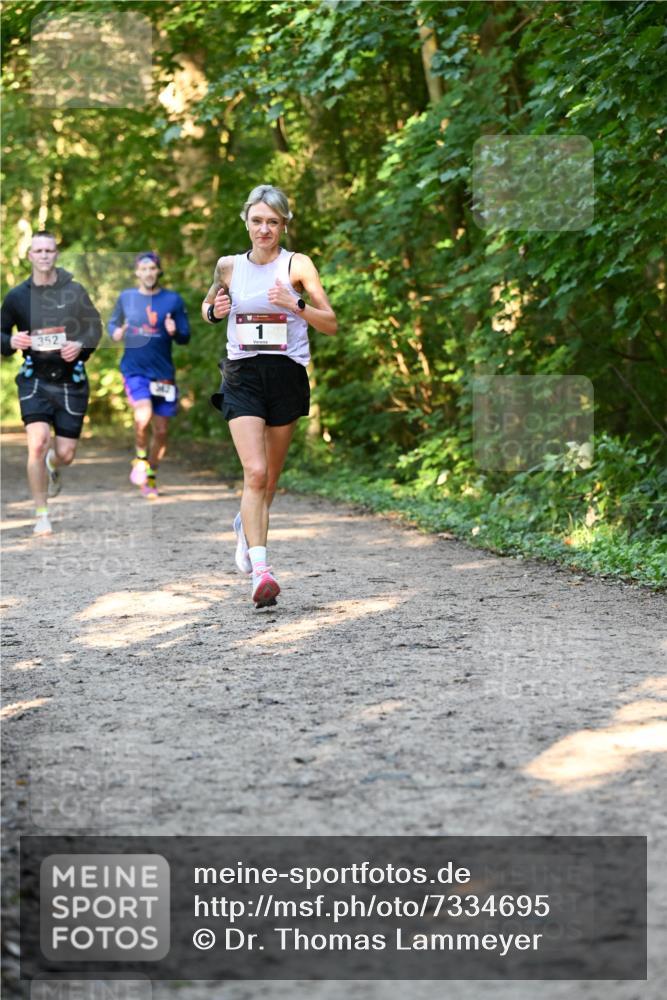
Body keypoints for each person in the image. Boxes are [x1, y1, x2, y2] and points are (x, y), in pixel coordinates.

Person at [202, 184, 337, 608]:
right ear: (246, 221)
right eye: (257, 221)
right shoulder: (228, 267)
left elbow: (330, 322)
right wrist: (214, 312)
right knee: (255, 472)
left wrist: (295, 303)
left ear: (283, 224)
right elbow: (208, 309)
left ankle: (246, 525)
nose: (264, 229)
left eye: (273, 222)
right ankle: (261, 570)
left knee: (270, 479)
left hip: (286, 375)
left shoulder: (298, 265)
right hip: (242, 374)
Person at [0, 230, 102, 536]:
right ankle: (41, 514)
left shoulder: (75, 291)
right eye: (38, 251)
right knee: (37, 442)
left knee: (65, 454)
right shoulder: (17, 296)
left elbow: (94, 328)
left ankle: (52, 464)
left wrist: (80, 346)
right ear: (30, 256)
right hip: (34, 380)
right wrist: (11, 339)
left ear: (56, 254)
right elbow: (1, 335)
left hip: (71, 381)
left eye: (49, 250)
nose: (44, 255)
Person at [109, 252, 190, 498]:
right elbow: (112, 324)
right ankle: (141, 458)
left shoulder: (173, 300)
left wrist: (174, 331)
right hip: (135, 370)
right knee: (142, 416)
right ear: (137, 272)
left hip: (163, 374)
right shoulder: (126, 298)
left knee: (162, 431)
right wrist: (116, 332)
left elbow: (185, 337)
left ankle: (151, 477)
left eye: (152, 268)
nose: (148, 273)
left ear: (158, 271)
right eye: (143, 269)